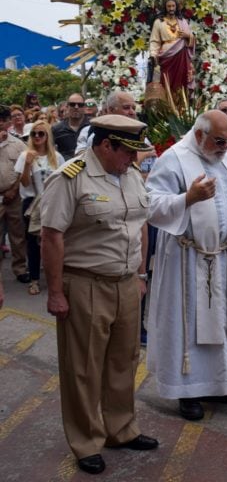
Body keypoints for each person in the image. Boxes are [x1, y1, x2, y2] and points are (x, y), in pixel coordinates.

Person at [41, 115, 158, 475]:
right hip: (85, 282)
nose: (133, 160)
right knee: (83, 368)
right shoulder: (70, 177)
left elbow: (138, 224)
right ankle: (86, 440)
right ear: (106, 146)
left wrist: (140, 274)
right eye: (127, 153)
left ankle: (120, 429)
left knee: (124, 362)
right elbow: (51, 235)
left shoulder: (131, 175)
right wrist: (56, 292)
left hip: (125, 282)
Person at [145, 110, 227, 421]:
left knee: (223, 324)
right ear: (199, 135)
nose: (225, 147)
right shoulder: (173, 158)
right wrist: (187, 198)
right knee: (188, 327)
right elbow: (151, 203)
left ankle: (221, 384)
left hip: (221, 259)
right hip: (186, 259)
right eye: (219, 141)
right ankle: (187, 391)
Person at [14, 120, 64, 295]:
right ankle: (34, 279)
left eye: (41, 133)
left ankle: (55, 279)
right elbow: (24, 183)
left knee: (55, 241)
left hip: (53, 203)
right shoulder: (25, 155)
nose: (37, 137)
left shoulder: (56, 157)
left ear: (47, 136)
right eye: (34, 133)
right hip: (33, 204)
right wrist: (28, 163)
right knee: (33, 243)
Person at [0, 105, 29, 284]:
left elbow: (24, 170)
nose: (1, 123)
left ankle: (20, 268)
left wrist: (14, 189)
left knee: (17, 235)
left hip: (14, 195)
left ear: (9, 122)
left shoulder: (18, 144)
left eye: (4, 120)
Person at [149, 0, 195, 97]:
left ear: (176, 7)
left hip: (181, 56)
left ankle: (181, 106)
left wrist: (188, 36)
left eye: (173, 6)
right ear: (165, 7)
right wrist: (153, 54)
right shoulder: (159, 22)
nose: (171, 9)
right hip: (166, 57)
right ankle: (167, 105)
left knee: (181, 81)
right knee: (166, 82)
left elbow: (191, 38)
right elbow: (155, 41)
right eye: (169, 6)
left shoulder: (182, 21)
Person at [52, 93, 89, 160]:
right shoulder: (56, 129)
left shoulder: (92, 127)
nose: (76, 107)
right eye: (72, 104)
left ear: (84, 107)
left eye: (80, 105)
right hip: (64, 168)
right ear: (67, 107)